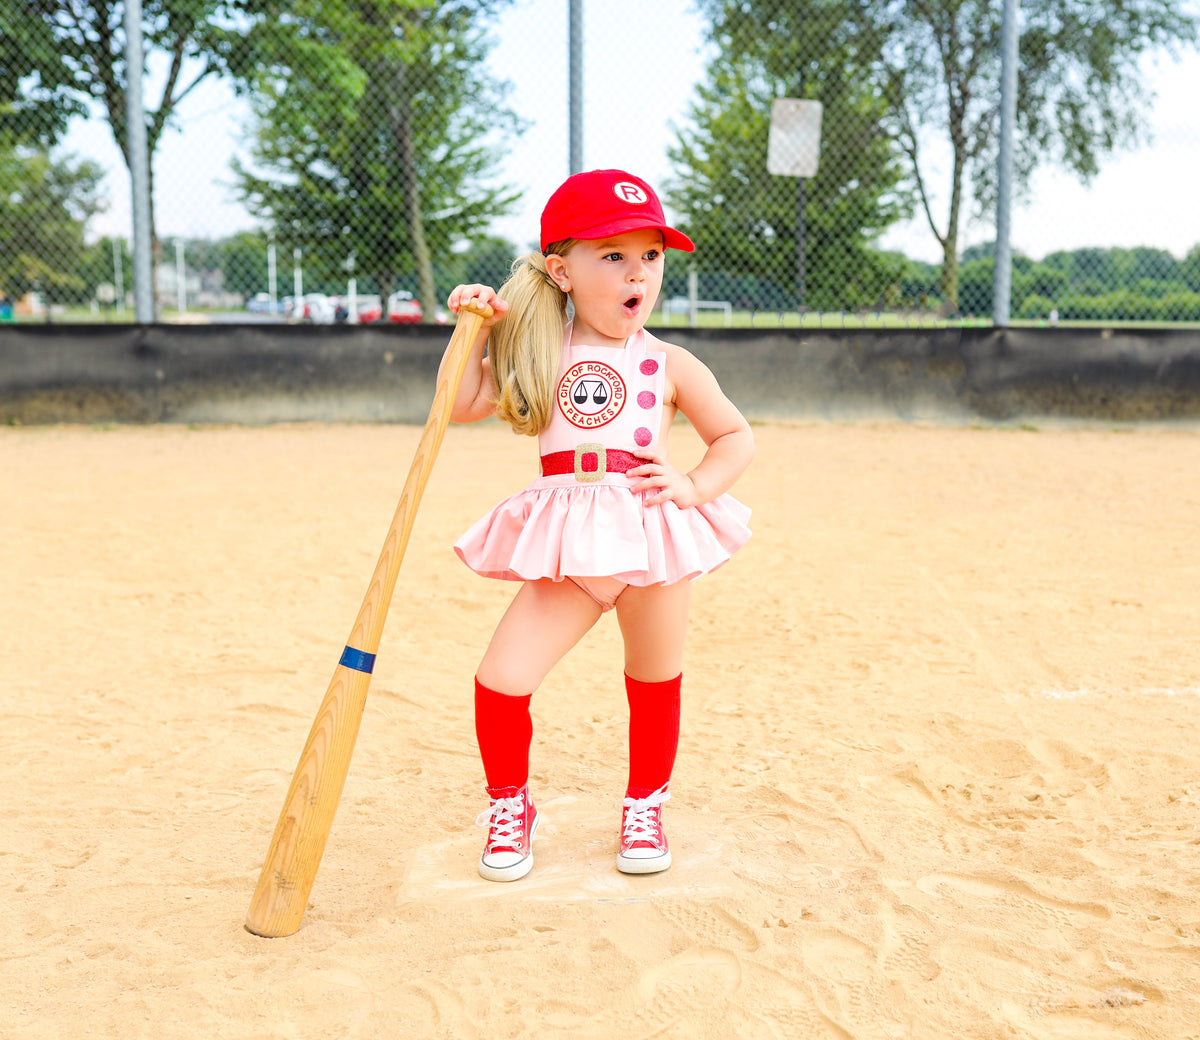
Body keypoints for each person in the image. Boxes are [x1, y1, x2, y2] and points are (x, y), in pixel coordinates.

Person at [441, 169, 754, 882]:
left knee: (654, 678)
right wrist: (470, 330)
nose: (636, 271)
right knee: (502, 680)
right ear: (562, 270)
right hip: (572, 541)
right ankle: (510, 805)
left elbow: (735, 438)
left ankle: (645, 804)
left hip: (650, 535)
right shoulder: (534, 347)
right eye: (612, 256)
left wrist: (693, 484)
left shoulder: (671, 363)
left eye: (650, 256)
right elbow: (462, 402)